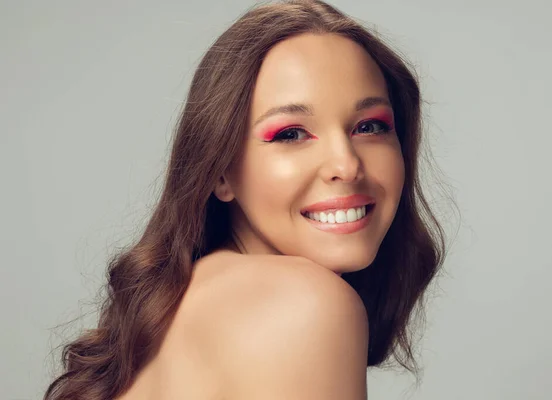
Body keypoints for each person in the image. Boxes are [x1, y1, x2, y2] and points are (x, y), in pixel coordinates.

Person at [44, 0, 449, 399]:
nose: (346, 164)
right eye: (291, 133)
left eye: (370, 126)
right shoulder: (307, 303)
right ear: (220, 171)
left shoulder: (181, 301)